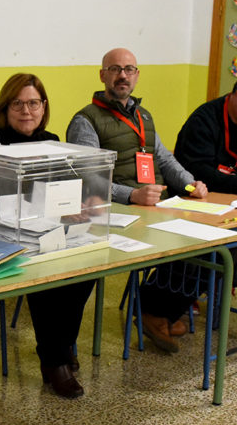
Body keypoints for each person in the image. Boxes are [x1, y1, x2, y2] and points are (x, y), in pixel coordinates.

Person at [66, 48, 208, 353]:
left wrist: (190, 184)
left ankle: (159, 312)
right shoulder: (86, 120)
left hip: (155, 206)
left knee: (210, 246)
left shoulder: (144, 116)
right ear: (102, 75)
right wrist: (131, 195)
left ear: (137, 75)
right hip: (117, 211)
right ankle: (154, 312)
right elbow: (89, 178)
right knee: (183, 245)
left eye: (129, 69)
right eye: (115, 69)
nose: (123, 75)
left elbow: (165, 158)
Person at [143, 68, 237, 335]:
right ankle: (162, 305)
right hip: (199, 203)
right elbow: (194, 170)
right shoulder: (204, 119)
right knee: (222, 249)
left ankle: (224, 282)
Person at [0, 73, 87, 399]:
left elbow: (64, 188)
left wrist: (74, 206)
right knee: (43, 273)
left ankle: (63, 344)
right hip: (2, 232)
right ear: (5, 108)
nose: (26, 111)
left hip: (47, 229)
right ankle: (54, 360)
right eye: (18, 103)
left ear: (44, 107)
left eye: (33, 103)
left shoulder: (51, 140)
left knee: (86, 269)